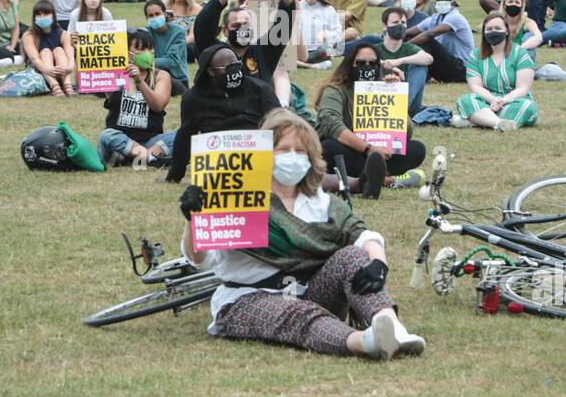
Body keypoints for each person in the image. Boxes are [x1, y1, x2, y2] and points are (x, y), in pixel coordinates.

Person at [178, 109, 424, 359]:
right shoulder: (234, 200)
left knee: (352, 256)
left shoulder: (317, 201)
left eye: (300, 151)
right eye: (284, 150)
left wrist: (378, 263)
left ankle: (391, 326)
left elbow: (360, 233)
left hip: (307, 291)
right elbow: (200, 259)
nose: (293, 157)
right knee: (299, 314)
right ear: (262, 155)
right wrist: (193, 220)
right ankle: (366, 341)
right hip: (248, 298)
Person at [313, 43, 427, 198]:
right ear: (349, 64)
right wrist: (369, 149)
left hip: (379, 153)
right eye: (360, 63)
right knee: (329, 147)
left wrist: (394, 97)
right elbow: (330, 123)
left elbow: (406, 134)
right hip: (349, 150)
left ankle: (374, 176)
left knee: (417, 149)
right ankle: (384, 178)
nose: (367, 67)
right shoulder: (336, 89)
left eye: (372, 63)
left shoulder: (382, 87)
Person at [166, 44, 283, 182]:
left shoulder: (259, 89)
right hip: (218, 162)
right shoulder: (194, 99)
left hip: (257, 157)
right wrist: (175, 175)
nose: (235, 72)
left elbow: (280, 124)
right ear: (211, 71)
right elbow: (185, 136)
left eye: (237, 66)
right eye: (229, 68)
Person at [98, 29, 176, 167]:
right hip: (121, 138)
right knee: (107, 135)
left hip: (150, 140)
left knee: (183, 134)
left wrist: (140, 81)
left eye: (150, 48)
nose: (147, 53)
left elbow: (158, 105)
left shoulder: (161, 76)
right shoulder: (115, 73)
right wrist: (80, 50)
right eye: (140, 49)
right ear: (127, 52)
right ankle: (151, 159)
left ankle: (136, 157)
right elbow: (94, 74)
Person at [453, 12, 538, 130]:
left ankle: (478, 119)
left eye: (498, 28)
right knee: (465, 100)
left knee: (527, 106)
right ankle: (499, 123)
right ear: (484, 32)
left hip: (514, 101)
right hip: (487, 101)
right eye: (489, 29)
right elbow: (475, 86)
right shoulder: (475, 55)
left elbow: (523, 88)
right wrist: (492, 100)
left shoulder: (520, 53)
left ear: (506, 31)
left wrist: (503, 101)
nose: (493, 31)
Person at [406, 0, 474, 84]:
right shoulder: (435, 18)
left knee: (428, 43)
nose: (442, 1)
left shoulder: (455, 17)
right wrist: (394, 36)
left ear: (453, 2)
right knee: (414, 39)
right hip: (448, 64)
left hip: (462, 69)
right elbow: (411, 31)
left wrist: (405, 47)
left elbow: (429, 35)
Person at [374, 5, 432, 115]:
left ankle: (400, 110)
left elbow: (428, 58)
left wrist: (398, 61)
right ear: (385, 26)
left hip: (408, 105)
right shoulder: (375, 49)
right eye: (395, 22)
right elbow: (358, 60)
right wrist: (384, 65)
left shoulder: (409, 48)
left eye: (403, 22)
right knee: (370, 65)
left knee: (419, 66)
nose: (400, 25)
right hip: (381, 103)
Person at [15, 0, 74, 95]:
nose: (42, 17)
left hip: (61, 71)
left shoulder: (63, 33)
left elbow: (70, 55)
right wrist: (47, 70)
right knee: (45, 51)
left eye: (46, 14)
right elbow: (34, 58)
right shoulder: (29, 35)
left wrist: (70, 67)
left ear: (53, 16)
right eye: (39, 15)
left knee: (59, 50)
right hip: (39, 72)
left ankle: (67, 84)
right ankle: (54, 85)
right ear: (34, 17)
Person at [144, 0, 188, 94]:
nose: (155, 17)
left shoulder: (178, 32)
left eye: (157, 14)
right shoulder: (145, 33)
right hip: (153, 77)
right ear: (146, 18)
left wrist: (142, 61)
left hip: (176, 79)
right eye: (150, 15)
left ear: (165, 14)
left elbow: (171, 61)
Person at [298, 0, 343, 65]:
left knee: (325, 51)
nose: (308, 1)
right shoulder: (298, 7)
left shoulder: (328, 9)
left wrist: (325, 34)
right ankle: (308, 64)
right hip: (300, 50)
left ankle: (300, 63)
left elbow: (338, 33)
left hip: (319, 49)